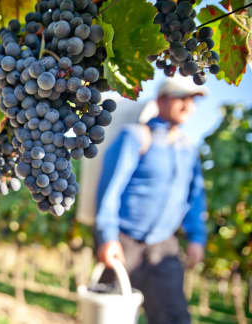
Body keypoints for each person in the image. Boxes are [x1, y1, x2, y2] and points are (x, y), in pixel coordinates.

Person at [95, 77, 208, 324]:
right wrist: (107, 236)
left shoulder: (189, 149)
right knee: (112, 317)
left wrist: (196, 238)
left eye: (193, 100)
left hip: (164, 246)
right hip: (124, 244)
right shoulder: (135, 137)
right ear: (160, 100)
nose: (188, 105)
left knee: (174, 317)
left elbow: (195, 197)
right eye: (181, 97)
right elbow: (110, 189)